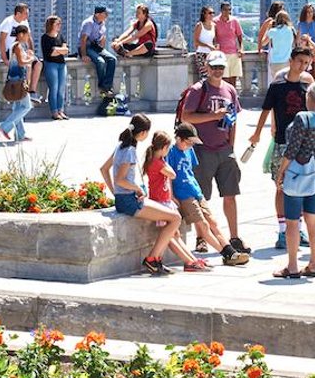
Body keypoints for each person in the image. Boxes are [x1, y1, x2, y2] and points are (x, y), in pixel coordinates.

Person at [99, 115, 191, 275]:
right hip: (131, 200)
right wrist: (137, 189)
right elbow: (121, 179)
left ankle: (156, 259)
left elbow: (104, 169)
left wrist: (116, 193)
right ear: (142, 133)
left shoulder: (120, 147)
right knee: (175, 218)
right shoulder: (130, 151)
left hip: (125, 199)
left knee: (173, 217)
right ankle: (153, 259)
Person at [180, 50, 250, 255]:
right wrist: (213, 116)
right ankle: (201, 238)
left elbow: (234, 119)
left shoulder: (230, 89)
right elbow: (187, 117)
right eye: (214, 67)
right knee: (201, 197)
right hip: (202, 149)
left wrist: (232, 146)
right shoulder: (197, 90)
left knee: (230, 194)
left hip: (224, 149)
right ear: (207, 68)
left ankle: (234, 236)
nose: (218, 71)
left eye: (221, 67)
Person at [248, 46, 315, 250]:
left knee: (302, 187)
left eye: (306, 63)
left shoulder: (307, 87)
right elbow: (266, 110)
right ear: (291, 60)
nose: (302, 66)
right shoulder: (277, 86)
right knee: (281, 186)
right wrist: (257, 133)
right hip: (281, 142)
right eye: (300, 61)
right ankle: (282, 229)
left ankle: (298, 228)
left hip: (303, 142)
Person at [272, 80, 315, 279]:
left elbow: (292, 150)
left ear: (309, 97)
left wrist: (281, 172)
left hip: (298, 171)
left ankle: (292, 266)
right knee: (312, 218)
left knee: (292, 221)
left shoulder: (303, 117)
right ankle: (314, 263)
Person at [168, 123, 250, 266]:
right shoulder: (171, 152)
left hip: (195, 191)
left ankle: (230, 251)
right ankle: (227, 254)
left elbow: (191, 170)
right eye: (188, 142)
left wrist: (198, 192)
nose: (190, 146)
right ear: (179, 139)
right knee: (204, 225)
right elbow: (168, 176)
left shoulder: (189, 151)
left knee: (213, 222)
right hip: (184, 194)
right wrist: (171, 196)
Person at [142, 131, 209, 272]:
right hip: (160, 202)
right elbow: (172, 174)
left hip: (165, 201)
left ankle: (191, 260)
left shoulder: (159, 161)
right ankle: (184, 261)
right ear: (163, 148)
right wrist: (165, 162)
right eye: (167, 148)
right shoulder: (157, 163)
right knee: (170, 235)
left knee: (175, 234)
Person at [0, 25, 34, 142]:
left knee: (18, 107)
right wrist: (30, 59)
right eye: (27, 34)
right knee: (27, 106)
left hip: (15, 79)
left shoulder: (17, 46)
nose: (28, 37)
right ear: (21, 34)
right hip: (18, 81)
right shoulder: (17, 46)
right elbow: (22, 63)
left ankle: (20, 134)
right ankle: (5, 127)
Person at [0, 3, 42, 102]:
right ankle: (25, 89)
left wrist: (31, 51)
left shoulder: (25, 22)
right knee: (27, 66)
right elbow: (2, 40)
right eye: (25, 13)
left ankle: (32, 91)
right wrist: (4, 57)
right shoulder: (8, 22)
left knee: (38, 64)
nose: (27, 16)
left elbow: (29, 38)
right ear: (18, 14)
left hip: (23, 49)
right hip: (12, 50)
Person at [80, 6, 117, 98]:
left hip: (96, 47)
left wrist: (102, 46)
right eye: (105, 13)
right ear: (98, 14)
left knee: (112, 59)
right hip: (87, 47)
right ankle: (102, 87)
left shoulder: (102, 23)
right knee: (100, 62)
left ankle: (107, 85)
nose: (107, 15)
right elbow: (83, 40)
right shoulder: (89, 23)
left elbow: (102, 36)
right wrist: (83, 55)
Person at [41, 16, 70, 120]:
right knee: (54, 88)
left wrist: (56, 49)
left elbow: (66, 50)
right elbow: (50, 54)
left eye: (60, 24)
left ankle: (60, 110)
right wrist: (59, 50)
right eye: (57, 24)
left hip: (62, 64)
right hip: (51, 64)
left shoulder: (60, 36)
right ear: (51, 25)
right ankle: (54, 112)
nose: (59, 26)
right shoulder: (45, 37)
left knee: (61, 89)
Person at [214, 2, 245, 87]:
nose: (227, 12)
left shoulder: (234, 21)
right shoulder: (215, 22)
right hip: (222, 54)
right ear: (221, 10)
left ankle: (233, 98)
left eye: (229, 10)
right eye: (225, 10)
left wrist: (241, 48)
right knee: (224, 79)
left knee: (233, 79)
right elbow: (214, 37)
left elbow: (239, 36)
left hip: (234, 53)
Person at [261, 10, 296, 82]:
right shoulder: (291, 30)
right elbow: (296, 43)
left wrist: (268, 29)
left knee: (276, 82)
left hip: (275, 61)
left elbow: (263, 43)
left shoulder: (272, 31)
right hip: (288, 60)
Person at [297, 4, 315, 78]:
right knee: (303, 75)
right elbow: (298, 40)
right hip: (304, 51)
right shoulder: (300, 24)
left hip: (314, 51)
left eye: (311, 12)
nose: (309, 14)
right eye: (307, 12)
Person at [192, 5, 218, 78]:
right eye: (210, 13)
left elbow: (214, 40)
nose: (212, 15)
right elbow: (196, 41)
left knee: (213, 76)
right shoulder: (200, 25)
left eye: (213, 13)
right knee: (205, 76)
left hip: (211, 54)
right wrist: (207, 45)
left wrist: (216, 46)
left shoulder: (214, 26)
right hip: (202, 53)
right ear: (204, 14)